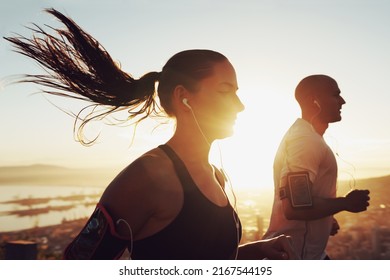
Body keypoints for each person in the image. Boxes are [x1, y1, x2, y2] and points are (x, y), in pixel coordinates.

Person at [5, 8, 297, 260]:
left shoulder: (216, 174)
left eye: (236, 92)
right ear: (185, 98)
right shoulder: (146, 178)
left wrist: (255, 250)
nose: (240, 105)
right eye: (225, 91)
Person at [262, 74, 370, 260]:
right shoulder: (305, 140)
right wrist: (346, 203)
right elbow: (295, 208)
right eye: (336, 95)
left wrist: (326, 218)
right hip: (298, 257)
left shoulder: (307, 137)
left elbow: (302, 199)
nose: (342, 101)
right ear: (314, 100)